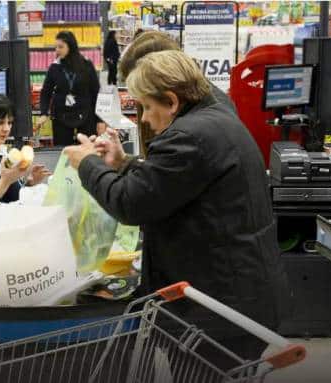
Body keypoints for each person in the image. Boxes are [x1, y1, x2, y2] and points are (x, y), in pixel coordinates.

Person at [64, 51, 289, 370]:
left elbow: (130, 204)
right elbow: (172, 184)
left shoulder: (189, 136)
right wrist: (123, 163)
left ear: (171, 101)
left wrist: (87, 164)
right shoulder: (215, 114)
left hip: (218, 309)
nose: (143, 118)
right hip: (242, 296)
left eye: (147, 107)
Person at [117, 30, 236, 157]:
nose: (144, 118)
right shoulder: (206, 104)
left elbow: (160, 171)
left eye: (147, 105)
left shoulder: (186, 135)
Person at [36, 31, 100, 146]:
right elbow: (46, 92)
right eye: (56, 47)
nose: (57, 50)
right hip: (61, 115)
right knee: (63, 152)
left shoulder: (86, 65)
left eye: (61, 47)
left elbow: (95, 92)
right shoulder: (54, 67)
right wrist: (44, 113)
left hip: (86, 114)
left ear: (71, 46)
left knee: (88, 150)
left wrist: (99, 120)